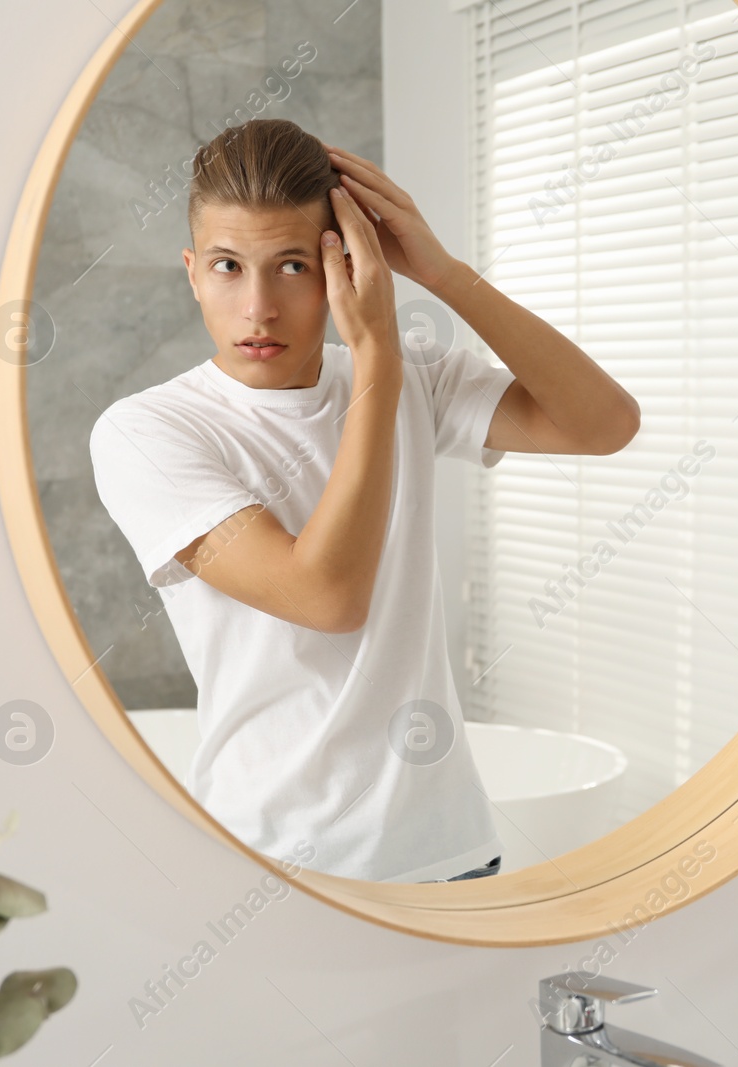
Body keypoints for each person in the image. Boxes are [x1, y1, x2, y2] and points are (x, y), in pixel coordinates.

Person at [89, 118, 639, 883]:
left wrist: (443, 274)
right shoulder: (148, 432)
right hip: (273, 864)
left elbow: (606, 423)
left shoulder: (413, 375)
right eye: (226, 266)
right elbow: (328, 595)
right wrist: (377, 356)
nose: (257, 307)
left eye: (290, 265)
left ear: (346, 263)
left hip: (450, 852)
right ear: (190, 271)